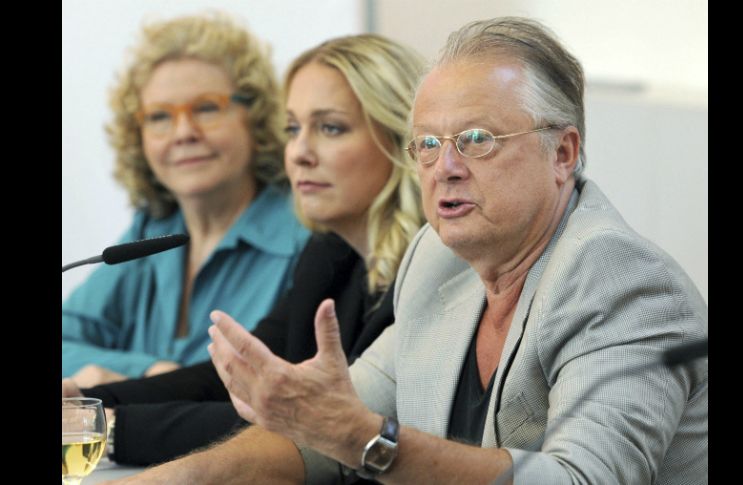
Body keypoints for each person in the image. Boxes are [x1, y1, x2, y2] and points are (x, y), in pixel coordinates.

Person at [111, 17, 708, 485]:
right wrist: (166, 481)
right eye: (426, 144)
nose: (444, 167)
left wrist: (364, 439)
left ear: (563, 153)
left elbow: (583, 479)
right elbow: (319, 440)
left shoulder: (620, 280)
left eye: (476, 140)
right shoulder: (436, 259)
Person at [63, 33, 425, 468]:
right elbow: (235, 377)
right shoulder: (331, 253)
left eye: (330, 128)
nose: (300, 153)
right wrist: (86, 399)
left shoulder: (427, 269)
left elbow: (305, 424)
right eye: (293, 129)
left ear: (403, 137)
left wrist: (107, 426)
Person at [61, 14, 310, 388]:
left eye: (206, 108)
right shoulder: (151, 229)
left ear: (257, 118)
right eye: (159, 116)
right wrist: (149, 371)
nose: (183, 133)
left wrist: (143, 382)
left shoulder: (305, 234)